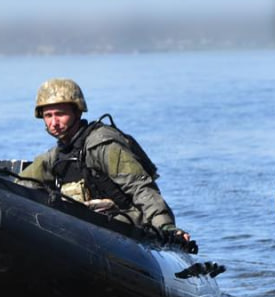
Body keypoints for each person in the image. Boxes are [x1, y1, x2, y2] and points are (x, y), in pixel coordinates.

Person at [20, 78, 188, 242]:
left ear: (77, 112)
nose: (54, 122)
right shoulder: (56, 156)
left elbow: (139, 187)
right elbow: (23, 183)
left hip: (126, 225)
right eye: (48, 116)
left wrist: (165, 226)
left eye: (60, 114)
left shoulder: (101, 145)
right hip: (87, 228)